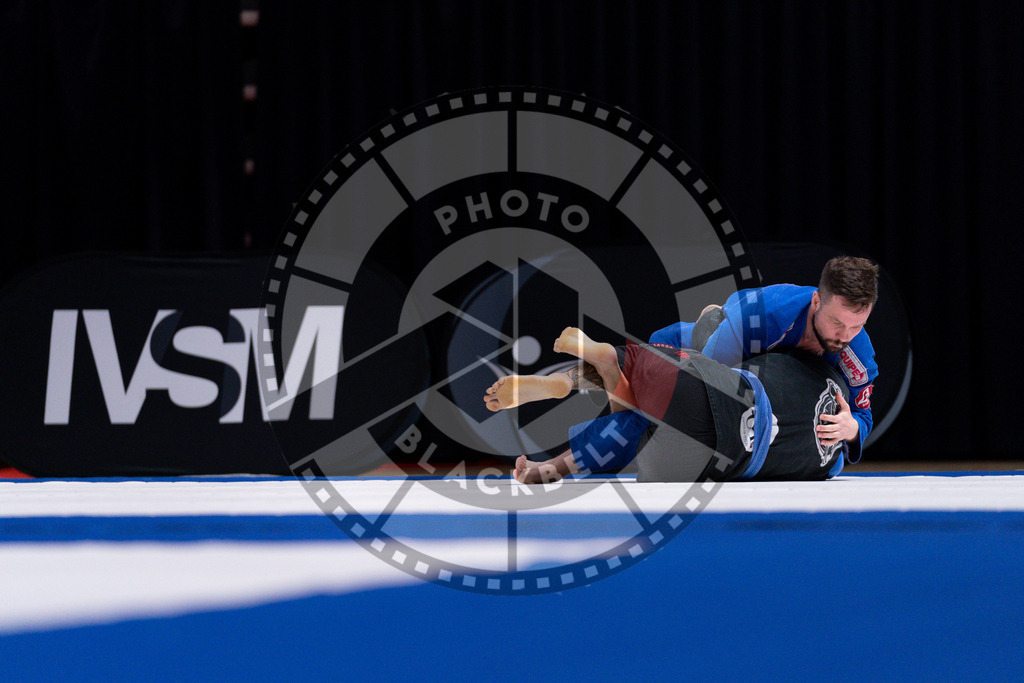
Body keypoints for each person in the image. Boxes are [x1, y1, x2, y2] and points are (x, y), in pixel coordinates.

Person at [484, 327, 854, 484]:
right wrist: (854, 429)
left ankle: (571, 379)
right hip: (706, 463)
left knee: (631, 362)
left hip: (707, 391)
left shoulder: (803, 356)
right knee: (637, 429)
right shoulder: (830, 464)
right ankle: (549, 470)